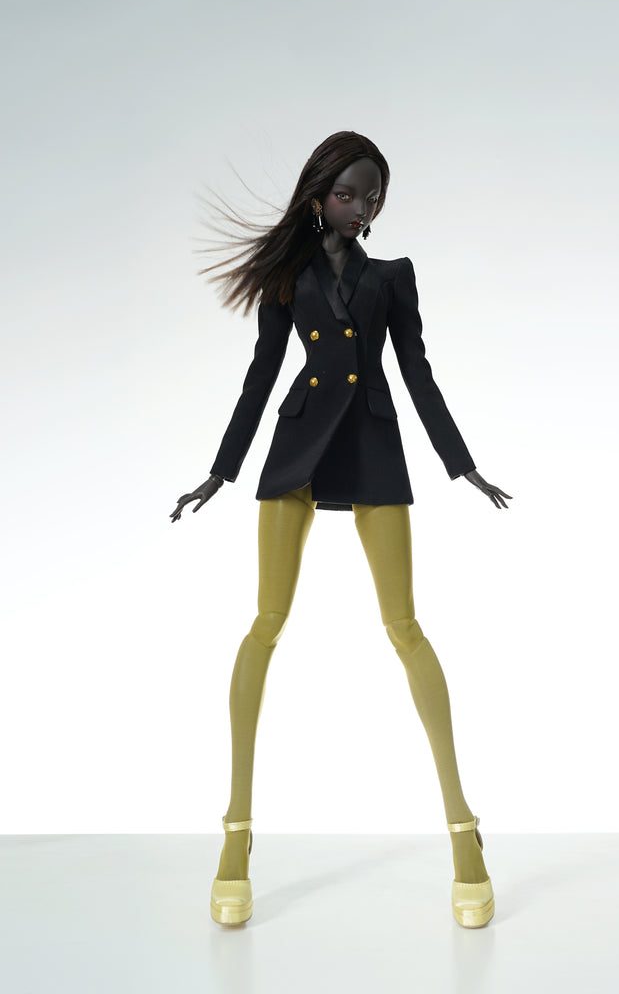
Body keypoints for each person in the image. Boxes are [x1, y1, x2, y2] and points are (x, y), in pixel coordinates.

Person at [171, 131, 511, 929]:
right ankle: (235, 833)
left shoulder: (391, 276)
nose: (362, 207)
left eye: (373, 195)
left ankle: (463, 831)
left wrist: (460, 465)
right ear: (318, 195)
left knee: (404, 627)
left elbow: (416, 372)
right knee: (264, 623)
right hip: (296, 449)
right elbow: (260, 377)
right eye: (349, 193)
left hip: (371, 447)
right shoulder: (286, 279)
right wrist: (221, 472)